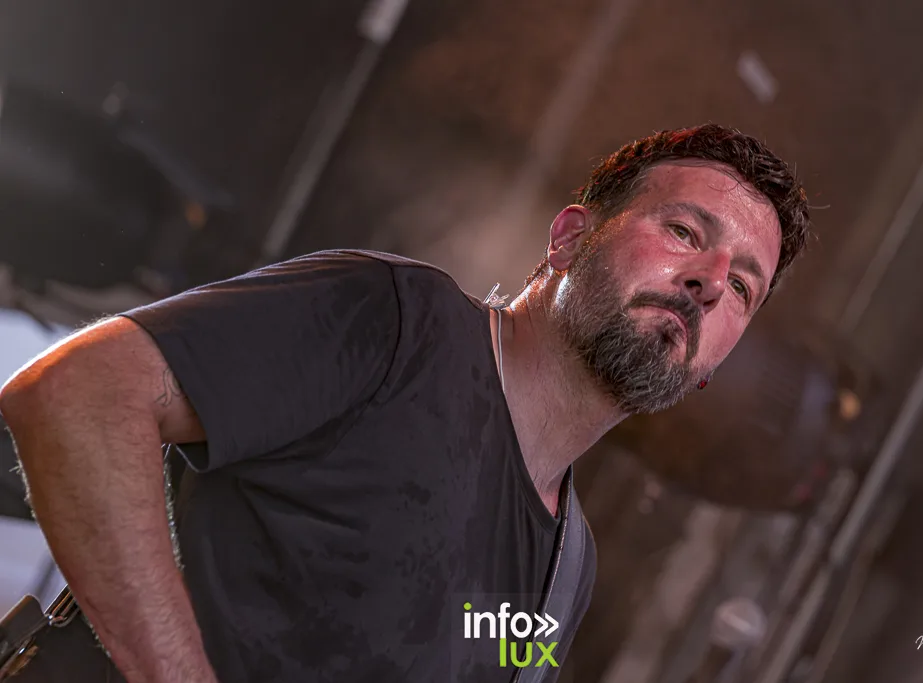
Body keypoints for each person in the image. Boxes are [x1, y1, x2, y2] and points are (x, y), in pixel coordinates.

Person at [0, 123, 811, 683]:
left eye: (743, 286)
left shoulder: (567, 575)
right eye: (684, 232)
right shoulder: (394, 322)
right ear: (569, 238)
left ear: (713, 364)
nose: (710, 281)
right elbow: (78, 394)